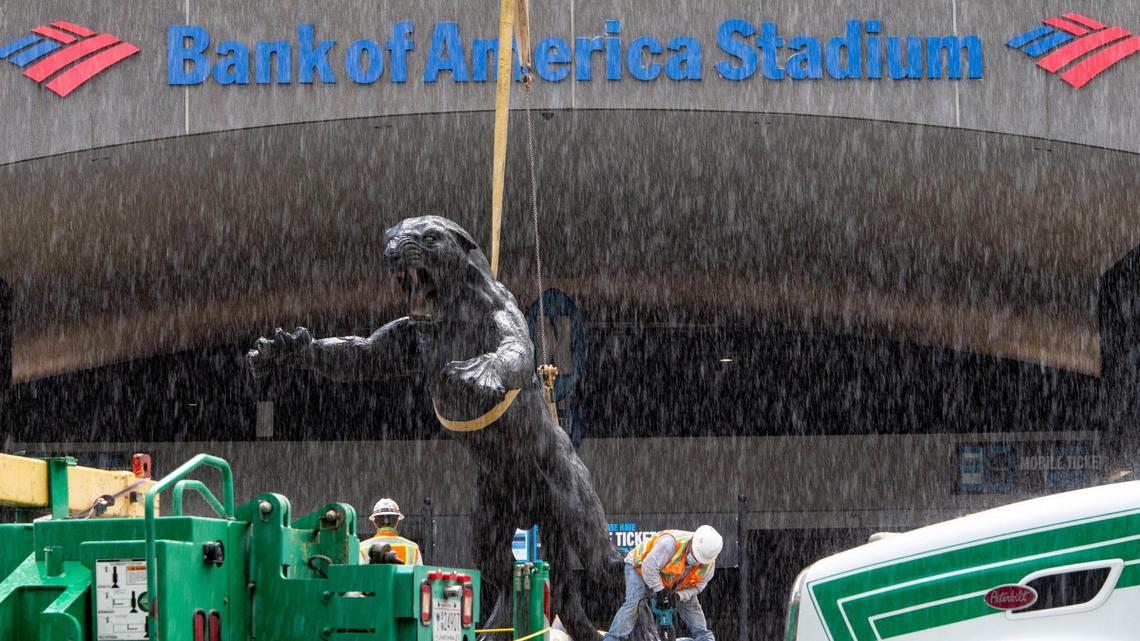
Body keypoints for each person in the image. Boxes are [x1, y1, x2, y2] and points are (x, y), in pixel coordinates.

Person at [603, 525, 722, 641]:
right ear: (692, 542)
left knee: (691, 605)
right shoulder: (670, 543)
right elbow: (649, 566)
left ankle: (704, 637)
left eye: (699, 559)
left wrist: (679, 596)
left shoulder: (708, 564)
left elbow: (698, 587)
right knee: (635, 601)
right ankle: (613, 638)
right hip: (639, 566)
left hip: (671, 580)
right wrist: (659, 590)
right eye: (696, 555)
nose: (696, 560)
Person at [359, 498, 422, 565]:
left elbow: (356, 574)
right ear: (397, 521)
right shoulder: (413, 548)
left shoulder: (362, 548)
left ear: (374, 522)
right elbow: (420, 574)